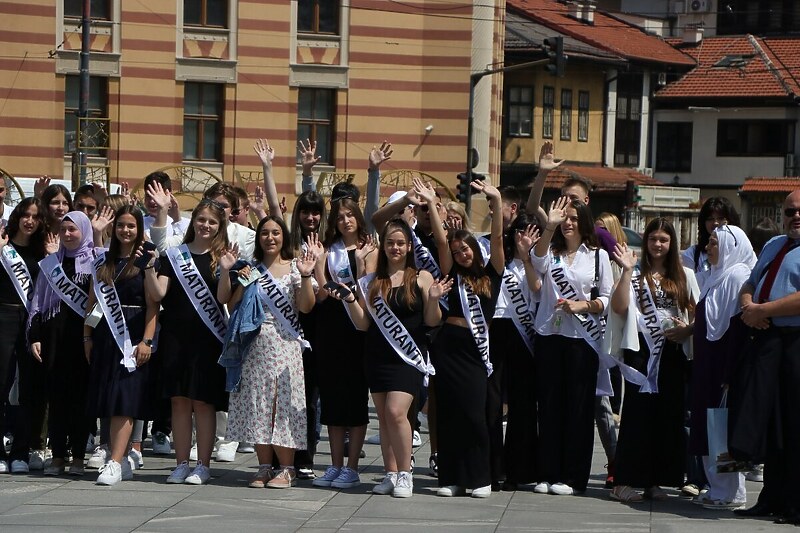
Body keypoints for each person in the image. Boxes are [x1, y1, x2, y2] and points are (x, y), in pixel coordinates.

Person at [342, 214, 451, 498]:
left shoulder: (422, 277)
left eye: (401, 243)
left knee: (396, 412)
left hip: (408, 356)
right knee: (384, 416)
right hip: (377, 354)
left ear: (410, 247)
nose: (396, 248)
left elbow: (431, 320)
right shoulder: (373, 281)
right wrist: (351, 299)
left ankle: (406, 473)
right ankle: (390, 473)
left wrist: (436, 298)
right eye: (390, 243)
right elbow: (363, 323)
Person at [218, 216, 317, 489]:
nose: (270, 238)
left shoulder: (295, 268)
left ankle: (286, 468)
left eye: (275, 233)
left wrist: (307, 275)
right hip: (256, 346)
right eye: (264, 233)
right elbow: (227, 300)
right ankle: (264, 467)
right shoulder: (252, 270)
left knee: (281, 406)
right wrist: (226, 271)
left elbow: (307, 307)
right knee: (259, 404)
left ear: (283, 237)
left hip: (286, 345)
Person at [607, 218, 699, 503]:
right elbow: (619, 307)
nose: (658, 244)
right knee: (637, 416)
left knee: (666, 417)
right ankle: (623, 480)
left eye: (664, 240)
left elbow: (696, 313)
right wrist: (626, 271)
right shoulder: (634, 274)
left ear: (672, 244)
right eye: (653, 239)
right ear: (645, 242)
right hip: (642, 351)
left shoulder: (685, 275)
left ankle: (654, 480)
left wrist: (687, 330)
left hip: (672, 351)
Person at [425, 179, 505, 498]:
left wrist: (496, 202)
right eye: (457, 251)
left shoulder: (490, 274)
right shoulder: (451, 273)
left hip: (476, 350)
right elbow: (441, 243)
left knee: (474, 413)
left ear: (474, 247)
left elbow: (498, 237)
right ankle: (452, 477)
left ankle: (480, 477)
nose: (461, 253)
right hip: (449, 347)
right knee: (449, 413)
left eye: (465, 248)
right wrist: (432, 204)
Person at [531, 196, 613, 496]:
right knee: (550, 407)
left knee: (578, 411)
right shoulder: (550, 251)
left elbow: (606, 299)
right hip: (550, 336)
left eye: (574, 218)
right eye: (564, 217)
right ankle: (547, 471)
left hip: (583, 340)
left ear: (584, 223)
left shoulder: (597, 256)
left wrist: (583, 305)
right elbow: (536, 262)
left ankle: (573, 476)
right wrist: (548, 227)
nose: (568, 222)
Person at [146, 193, 230, 485]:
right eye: (201, 220)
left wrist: (228, 270)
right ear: (193, 222)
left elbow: (222, 298)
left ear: (220, 227)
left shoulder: (222, 259)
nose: (206, 225)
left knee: (203, 403)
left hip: (208, 339)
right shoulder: (175, 255)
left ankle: (203, 465)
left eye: (212, 222)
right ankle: (181, 463)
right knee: (179, 402)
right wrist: (148, 268)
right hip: (175, 337)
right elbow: (159, 294)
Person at [729, 190, 800, 524]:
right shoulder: (773, 245)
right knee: (768, 422)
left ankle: (795, 503)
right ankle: (770, 497)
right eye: (790, 211)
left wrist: (762, 309)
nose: (795, 216)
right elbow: (750, 282)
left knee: (795, 422)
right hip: (766, 339)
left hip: (794, 340)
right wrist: (748, 306)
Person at [84, 206, 160, 485]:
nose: (125, 231)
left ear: (139, 229)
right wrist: (87, 336)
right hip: (106, 335)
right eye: (121, 226)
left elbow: (154, 306)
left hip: (133, 334)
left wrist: (147, 340)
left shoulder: (147, 261)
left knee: (124, 399)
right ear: (113, 229)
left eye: (131, 226)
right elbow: (92, 303)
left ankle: (114, 462)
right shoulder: (104, 261)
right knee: (109, 399)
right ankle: (122, 457)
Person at [311, 193, 376, 490]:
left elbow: (369, 295)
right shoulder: (330, 249)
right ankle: (334, 465)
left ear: (358, 217)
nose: (345, 220)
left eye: (350, 215)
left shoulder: (368, 247)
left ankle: (352, 467)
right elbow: (322, 294)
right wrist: (320, 266)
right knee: (333, 401)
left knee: (354, 400)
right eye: (339, 216)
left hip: (358, 330)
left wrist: (361, 267)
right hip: (331, 329)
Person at [688, 225, 752, 509]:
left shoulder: (737, 276)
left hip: (722, 363)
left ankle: (730, 493)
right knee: (707, 425)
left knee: (721, 429)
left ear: (729, 246)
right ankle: (717, 487)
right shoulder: (715, 277)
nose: (709, 248)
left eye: (714, 243)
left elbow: (737, 328)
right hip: (707, 362)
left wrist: (729, 372)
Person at [28, 211, 96, 476]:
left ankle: (78, 456)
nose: (67, 235)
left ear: (84, 231)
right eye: (64, 230)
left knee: (81, 400)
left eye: (73, 230)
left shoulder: (95, 262)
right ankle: (57, 456)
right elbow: (38, 304)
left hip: (84, 340)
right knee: (56, 400)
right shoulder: (50, 264)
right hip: (54, 338)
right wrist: (35, 336)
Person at [488, 213, 542, 491]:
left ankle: (519, 471)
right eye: (521, 230)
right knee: (493, 402)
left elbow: (536, 289)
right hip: (497, 330)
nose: (525, 235)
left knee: (522, 405)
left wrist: (528, 257)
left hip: (525, 336)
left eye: (533, 231)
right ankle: (493, 468)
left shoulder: (542, 263)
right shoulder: (501, 259)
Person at [0, 198, 46, 473]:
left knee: (29, 388)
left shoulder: (43, 252)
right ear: (17, 216)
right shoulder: (4, 248)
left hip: (31, 321)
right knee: (1, 385)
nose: (30, 221)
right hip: (3, 316)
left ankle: (20, 452)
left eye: (36, 217)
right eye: (26, 215)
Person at [681, 197, 748, 291]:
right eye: (710, 219)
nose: (715, 223)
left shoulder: (741, 252)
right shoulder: (691, 254)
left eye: (720, 218)